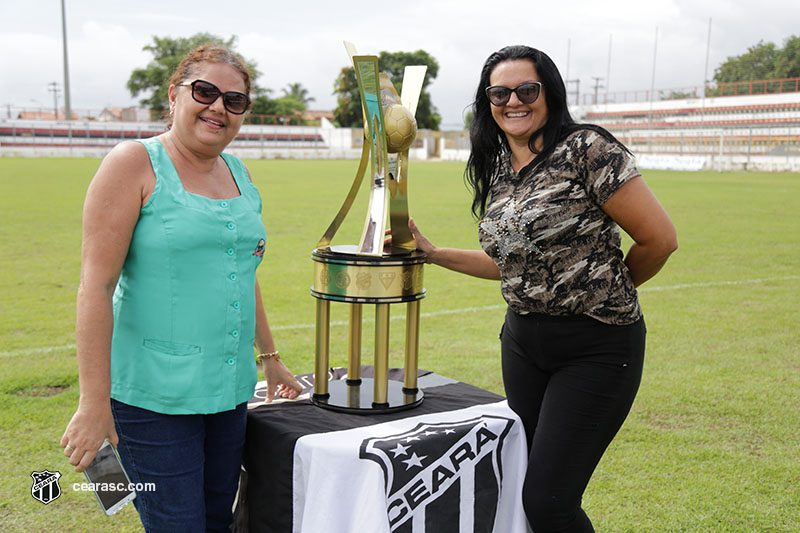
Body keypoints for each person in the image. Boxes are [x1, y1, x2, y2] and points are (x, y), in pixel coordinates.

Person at [405, 45, 677, 532]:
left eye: (526, 89)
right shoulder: (500, 167)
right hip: (524, 345)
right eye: (499, 92)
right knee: (519, 483)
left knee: (549, 501)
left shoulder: (587, 149)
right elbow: (510, 264)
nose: (513, 100)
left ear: (548, 92)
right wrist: (432, 252)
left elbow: (660, 240)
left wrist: (604, 287)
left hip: (596, 347)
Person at [60, 44, 303, 532]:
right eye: (205, 92)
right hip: (154, 400)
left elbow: (241, 270)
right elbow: (96, 287)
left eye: (234, 101)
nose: (218, 107)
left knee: (218, 519)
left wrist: (269, 356)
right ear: (174, 95)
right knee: (178, 525)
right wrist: (93, 403)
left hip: (229, 392)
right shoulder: (134, 163)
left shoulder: (238, 172)